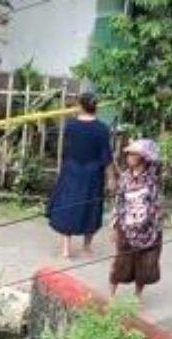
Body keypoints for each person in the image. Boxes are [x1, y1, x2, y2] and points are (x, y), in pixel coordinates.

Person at [46, 92, 113, 260]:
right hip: (92, 173)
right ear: (95, 107)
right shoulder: (102, 129)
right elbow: (106, 156)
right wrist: (111, 177)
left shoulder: (70, 125)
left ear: (80, 106)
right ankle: (86, 247)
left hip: (72, 170)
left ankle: (66, 249)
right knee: (91, 207)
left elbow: (68, 149)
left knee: (67, 206)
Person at [108, 139, 163, 299]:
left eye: (133, 154)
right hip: (127, 227)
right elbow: (118, 203)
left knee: (144, 265)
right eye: (129, 153)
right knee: (120, 264)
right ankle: (111, 296)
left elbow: (157, 162)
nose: (129, 156)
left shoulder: (152, 177)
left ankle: (137, 296)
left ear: (143, 157)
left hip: (149, 229)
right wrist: (113, 226)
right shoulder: (124, 177)